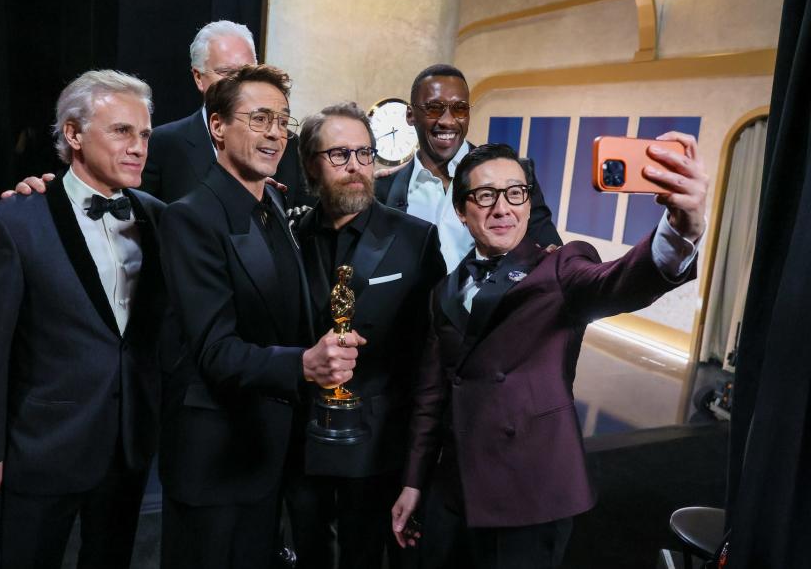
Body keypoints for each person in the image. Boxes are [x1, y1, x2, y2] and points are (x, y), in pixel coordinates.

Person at [390, 136, 708, 569]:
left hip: (530, 491)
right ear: (462, 212)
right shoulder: (443, 290)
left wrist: (681, 228)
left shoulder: (559, 268)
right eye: (485, 196)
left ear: (527, 202)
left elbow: (620, 280)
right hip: (455, 489)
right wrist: (413, 483)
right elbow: (431, 398)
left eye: (515, 193)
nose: (502, 208)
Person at [0, 70, 166, 568]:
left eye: (144, 135)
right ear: (73, 134)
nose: (138, 146)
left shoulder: (160, 217)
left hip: (128, 443)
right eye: (121, 131)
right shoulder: (14, 221)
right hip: (43, 446)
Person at [158, 65, 364, 569]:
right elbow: (215, 351)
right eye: (260, 118)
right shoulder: (191, 217)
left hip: (270, 453)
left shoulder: (272, 199)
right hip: (216, 459)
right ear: (217, 127)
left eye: (282, 121)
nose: (275, 133)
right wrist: (304, 365)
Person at [286, 102, 446, 569]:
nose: (356, 166)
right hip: (302, 441)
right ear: (311, 165)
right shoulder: (290, 233)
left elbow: (428, 356)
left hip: (378, 444)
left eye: (364, 153)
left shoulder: (416, 239)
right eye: (339, 155)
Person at [375, 64, 560, 270]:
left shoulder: (517, 176)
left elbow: (551, 257)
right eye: (434, 108)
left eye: (459, 108)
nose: (447, 121)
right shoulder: (382, 189)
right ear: (410, 115)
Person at [142, 20, 311, 207]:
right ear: (198, 77)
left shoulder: (287, 144)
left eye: (246, 72)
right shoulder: (164, 143)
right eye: (226, 72)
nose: (238, 83)